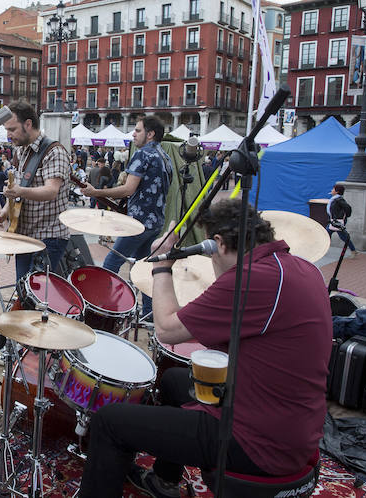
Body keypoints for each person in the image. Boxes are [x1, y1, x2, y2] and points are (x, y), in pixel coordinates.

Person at [79, 199, 332, 498]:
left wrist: (162, 265)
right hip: (293, 426)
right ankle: (164, 481)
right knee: (174, 381)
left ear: (220, 244)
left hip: (256, 442)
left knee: (110, 422)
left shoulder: (252, 280)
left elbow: (167, 329)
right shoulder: (301, 268)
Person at [80, 115, 171, 318]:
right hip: (155, 222)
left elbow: (128, 189)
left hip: (138, 223)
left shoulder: (143, 154)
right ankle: (148, 314)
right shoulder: (165, 156)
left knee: (111, 262)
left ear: (150, 134)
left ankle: (103, 309)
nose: (133, 134)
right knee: (144, 269)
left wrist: (96, 192)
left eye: (137, 130)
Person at [0, 101, 72, 279]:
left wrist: (20, 191)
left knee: (34, 293)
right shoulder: (21, 151)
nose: (8, 135)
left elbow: (51, 191)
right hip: (25, 234)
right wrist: (6, 210)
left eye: (12, 129)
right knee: (23, 290)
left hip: (48, 236)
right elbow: (20, 188)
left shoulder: (54, 152)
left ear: (28, 124)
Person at [327, 184, 357, 256]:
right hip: (333, 221)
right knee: (327, 234)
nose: (331, 190)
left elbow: (348, 208)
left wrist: (344, 216)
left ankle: (353, 250)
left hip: (337, 222)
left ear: (337, 191)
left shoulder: (339, 200)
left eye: (333, 189)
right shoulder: (335, 199)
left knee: (343, 236)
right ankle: (324, 249)